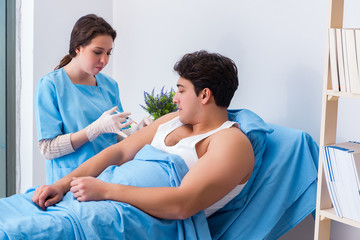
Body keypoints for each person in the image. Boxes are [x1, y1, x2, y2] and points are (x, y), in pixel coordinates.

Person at [32, 50, 254, 220]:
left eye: (181, 90)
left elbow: (183, 204)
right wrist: (61, 186)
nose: (175, 98)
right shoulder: (171, 121)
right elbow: (118, 152)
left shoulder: (230, 142)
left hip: (128, 215)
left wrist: (106, 190)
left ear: (204, 95)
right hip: (99, 199)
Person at [35, 14, 135, 185]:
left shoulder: (110, 85)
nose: (104, 60)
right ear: (78, 48)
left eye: (108, 53)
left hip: (108, 179)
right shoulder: (51, 85)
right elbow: (48, 149)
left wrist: (135, 132)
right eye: (97, 52)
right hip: (70, 183)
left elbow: (116, 134)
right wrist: (93, 130)